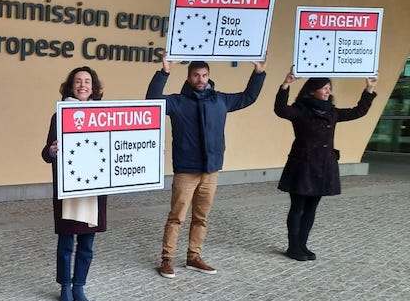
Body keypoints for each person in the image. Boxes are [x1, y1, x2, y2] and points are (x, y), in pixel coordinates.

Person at [147, 55, 267, 278]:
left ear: (209, 76)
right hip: (186, 170)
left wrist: (259, 73)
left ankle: (194, 257)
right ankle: (167, 259)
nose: (200, 79)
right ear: (189, 77)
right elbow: (152, 100)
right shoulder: (177, 102)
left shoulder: (220, 100)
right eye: (196, 75)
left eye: (204, 75)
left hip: (211, 170)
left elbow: (248, 97)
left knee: (201, 217)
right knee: (177, 217)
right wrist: (164, 72)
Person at [274, 69, 377, 261]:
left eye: (329, 88)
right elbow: (281, 110)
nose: (329, 91)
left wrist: (369, 89)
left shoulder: (332, 112)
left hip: (323, 167)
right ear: (312, 90)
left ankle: (303, 245)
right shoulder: (300, 110)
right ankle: (293, 247)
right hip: (303, 165)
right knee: (298, 207)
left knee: (311, 208)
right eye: (324, 88)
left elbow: (358, 111)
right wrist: (286, 85)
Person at [41, 66, 107, 301]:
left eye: (87, 81)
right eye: (78, 81)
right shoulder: (60, 115)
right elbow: (46, 153)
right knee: (66, 244)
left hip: (94, 190)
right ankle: (65, 288)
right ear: (71, 86)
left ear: (93, 87)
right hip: (69, 189)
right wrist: (51, 151)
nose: (82, 85)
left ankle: (79, 286)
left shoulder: (104, 114)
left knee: (87, 244)